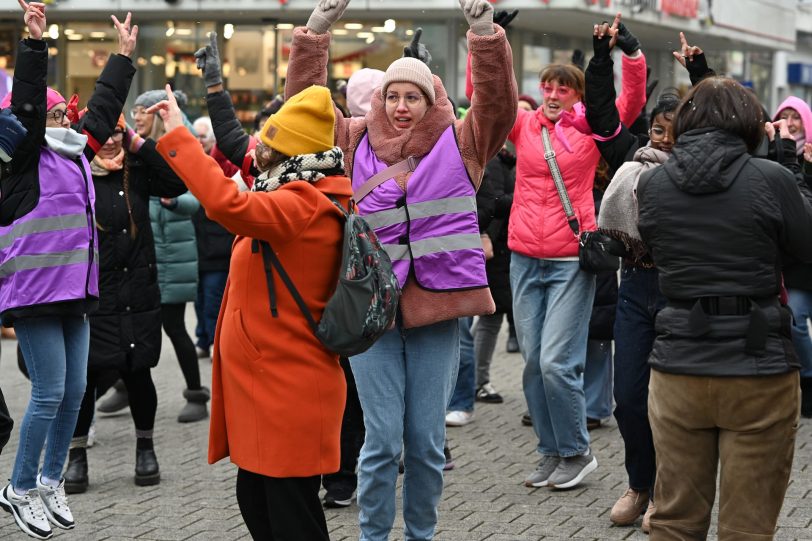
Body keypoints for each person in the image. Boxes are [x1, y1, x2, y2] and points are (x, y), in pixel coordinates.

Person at [279, 0, 517, 538]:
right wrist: (316, 33)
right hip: (370, 315)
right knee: (381, 441)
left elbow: (498, 103)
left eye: (412, 96)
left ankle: (420, 535)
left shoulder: (464, 143)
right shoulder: (354, 140)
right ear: (380, 100)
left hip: (437, 311)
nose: (401, 105)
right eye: (393, 95)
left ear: (430, 100)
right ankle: (373, 535)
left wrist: (483, 32)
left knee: (427, 444)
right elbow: (303, 106)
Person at [151, 83, 351, 541]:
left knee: (290, 516)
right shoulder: (294, 186)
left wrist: (179, 133)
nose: (258, 149)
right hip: (271, 384)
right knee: (259, 500)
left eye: (270, 143)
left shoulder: (304, 202)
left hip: (288, 386)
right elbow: (239, 171)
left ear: (291, 152)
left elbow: (225, 202)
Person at [637, 77, 812, 540]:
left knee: (674, 522)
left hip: (678, 366)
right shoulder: (771, 178)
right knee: (747, 528)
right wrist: (791, 170)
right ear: (752, 124)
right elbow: (806, 245)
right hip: (758, 368)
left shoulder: (652, 184)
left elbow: (658, 245)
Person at [0, 2, 136, 537]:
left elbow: (102, 107)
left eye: (64, 114)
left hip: (76, 294)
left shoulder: (79, 151)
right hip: (34, 296)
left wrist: (124, 56)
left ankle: (51, 479)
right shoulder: (23, 160)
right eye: (54, 115)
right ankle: (18, 486)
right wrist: (36, 44)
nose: (62, 120)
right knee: (49, 392)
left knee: (76, 391)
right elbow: (30, 105)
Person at [509, 14, 646, 490]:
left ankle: (576, 452)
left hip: (571, 258)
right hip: (524, 256)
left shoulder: (590, 128)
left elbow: (629, 104)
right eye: (546, 86)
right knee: (530, 364)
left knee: (556, 363)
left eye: (562, 89)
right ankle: (549, 451)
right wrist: (492, 41)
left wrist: (630, 55)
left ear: (577, 94)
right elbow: (489, 99)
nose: (551, 94)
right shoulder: (523, 126)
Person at [588, 30, 712, 531]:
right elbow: (600, 114)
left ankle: (668, 493)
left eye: (670, 128)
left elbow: (725, 120)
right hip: (636, 288)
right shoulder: (631, 156)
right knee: (629, 397)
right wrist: (604, 57)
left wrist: (698, 73)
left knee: (677, 400)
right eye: (656, 128)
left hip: (682, 288)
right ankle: (640, 484)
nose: (661, 136)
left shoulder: (698, 167)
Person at [150, 192, 210, 423]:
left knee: (174, 327)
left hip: (172, 262)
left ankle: (196, 394)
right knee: (133, 328)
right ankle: (124, 385)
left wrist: (172, 201)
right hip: (146, 262)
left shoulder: (169, 164)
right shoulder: (124, 168)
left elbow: (193, 201)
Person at [773, 96, 812, 418]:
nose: (790, 122)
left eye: (795, 116)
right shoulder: (773, 158)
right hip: (796, 266)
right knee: (795, 321)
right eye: (784, 116)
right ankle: (808, 378)